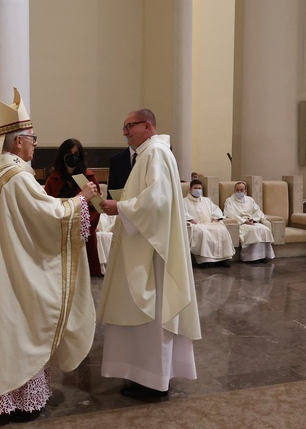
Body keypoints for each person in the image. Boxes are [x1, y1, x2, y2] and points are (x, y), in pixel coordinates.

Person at [0, 88, 97, 415]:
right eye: (32, 138)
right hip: (15, 266)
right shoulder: (17, 174)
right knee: (21, 323)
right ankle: (18, 399)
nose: (35, 143)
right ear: (17, 141)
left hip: (3, 261)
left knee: (3, 323)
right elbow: (49, 215)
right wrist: (81, 199)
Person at [98, 109, 201, 398]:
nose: (125, 132)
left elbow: (156, 202)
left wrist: (119, 207)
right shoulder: (148, 154)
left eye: (129, 126)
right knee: (145, 318)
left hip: (152, 252)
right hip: (144, 243)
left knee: (154, 316)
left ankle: (155, 380)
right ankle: (144, 374)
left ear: (147, 126)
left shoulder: (155, 153)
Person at [45, 138, 102, 276]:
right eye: (69, 153)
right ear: (62, 155)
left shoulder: (89, 178)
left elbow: (96, 207)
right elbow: (47, 206)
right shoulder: (53, 179)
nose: (73, 156)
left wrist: (82, 226)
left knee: (86, 276)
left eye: (77, 153)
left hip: (84, 234)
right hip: (60, 232)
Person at [183, 179, 235, 268]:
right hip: (196, 224)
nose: (198, 190)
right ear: (190, 189)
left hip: (209, 222)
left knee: (222, 230)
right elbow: (182, 212)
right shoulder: (184, 201)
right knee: (203, 232)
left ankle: (222, 260)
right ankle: (204, 261)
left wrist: (215, 218)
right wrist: (191, 219)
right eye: (195, 188)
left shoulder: (207, 200)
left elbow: (215, 209)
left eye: (199, 188)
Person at [223, 181, 275, 263]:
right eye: (237, 190)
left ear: (245, 191)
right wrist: (244, 221)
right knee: (253, 231)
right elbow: (229, 214)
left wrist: (253, 219)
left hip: (252, 221)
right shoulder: (229, 201)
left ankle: (263, 256)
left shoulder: (250, 200)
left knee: (264, 229)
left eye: (241, 190)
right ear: (234, 190)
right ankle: (251, 258)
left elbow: (258, 211)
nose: (239, 192)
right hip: (240, 223)